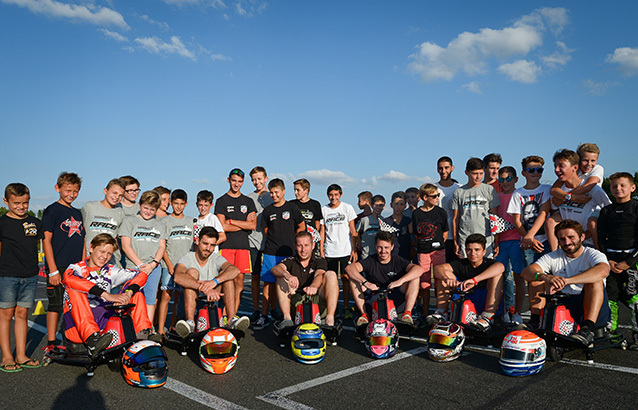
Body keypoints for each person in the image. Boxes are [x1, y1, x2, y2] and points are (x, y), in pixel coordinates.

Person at [62, 234, 160, 357]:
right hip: (76, 326)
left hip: (104, 323)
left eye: (109, 254)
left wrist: (129, 293)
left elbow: (141, 275)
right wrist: (106, 295)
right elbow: (68, 279)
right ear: (91, 248)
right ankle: (93, 340)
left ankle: (143, 334)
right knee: (73, 289)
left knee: (136, 291)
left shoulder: (110, 270)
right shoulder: (76, 268)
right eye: (102, 251)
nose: (105, 257)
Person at [521, 220, 610, 344]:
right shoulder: (553, 256)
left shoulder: (593, 254)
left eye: (571, 237)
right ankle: (535, 321)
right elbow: (526, 272)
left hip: (590, 308)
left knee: (595, 281)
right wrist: (546, 277)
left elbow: (603, 271)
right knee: (536, 279)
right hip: (564, 305)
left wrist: (566, 281)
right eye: (562, 239)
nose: (567, 242)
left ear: (582, 237)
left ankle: (587, 329)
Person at [173, 227, 249, 336]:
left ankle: (232, 319)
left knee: (227, 278)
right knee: (191, 272)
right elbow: (178, 277)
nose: (208, 248)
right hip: (190, 305)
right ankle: (190, 323)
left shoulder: (215, 257)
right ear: (198, 241)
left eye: (212, 245)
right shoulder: (188, 257)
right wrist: (204, 288)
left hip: (212, 303)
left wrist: (214, 282)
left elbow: (235, 270)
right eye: (205, 243)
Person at [0, 183, 43, 371]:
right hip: (7, 276)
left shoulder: (35, 223)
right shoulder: (2, 223)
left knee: (22, 314)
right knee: (6, 316)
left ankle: (21, 355)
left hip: (31, 275)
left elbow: (45, 243)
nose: (21, 206)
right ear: (6, 201)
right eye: (16, 203)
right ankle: (7, 357)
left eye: (25, 203)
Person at [42, 172, 85, 352]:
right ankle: (51, 343)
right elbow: (46, 241)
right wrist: (52, 270)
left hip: (74, 268)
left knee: (74, 305)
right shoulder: (52, 210)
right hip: (58, 266)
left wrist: (82, 265)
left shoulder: (77, 212)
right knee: (55, 304)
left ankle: (72, 339)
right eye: (68, 190)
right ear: (57, 188)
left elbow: (82, 241)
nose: (71, 194)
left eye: (75, 191)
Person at [429, 233, 505, 332]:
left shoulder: (489, 263)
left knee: (497, 275)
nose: (473, 253)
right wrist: (447, 279)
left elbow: (501, 267)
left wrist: (475, 280)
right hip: (464, 298)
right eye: (469, 250)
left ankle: (487, 317)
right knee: (444, 274)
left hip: (484, 300)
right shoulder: (462, 263)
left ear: (484, 252)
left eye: (477, 250)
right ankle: (442, 313)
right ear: (465, 251)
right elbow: (438, 268)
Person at [346, 231, 424, 326]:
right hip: (374, 297)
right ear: (375, 246)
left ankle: (407, 313)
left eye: (386, 247)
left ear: (392, 247)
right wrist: (365, 282)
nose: (383, 251)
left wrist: (399, 281)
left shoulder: (398, 260)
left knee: (414, 277)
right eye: (380, 247)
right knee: (354, 279)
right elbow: (349, 268)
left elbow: (419, 269)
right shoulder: (370, 260)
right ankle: (364, 314)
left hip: (394, 298)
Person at [257, 179, 305, 329]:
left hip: (289, 253)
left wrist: (292, 241)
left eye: (276, 192)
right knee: (268, 284)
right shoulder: (268, 211)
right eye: (271, 192)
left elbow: (301, 227)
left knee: (290, 284)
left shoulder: (292, 207)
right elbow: (266, 231)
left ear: (283, 191)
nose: (273, 195)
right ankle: (264, 316)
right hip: (271, 253)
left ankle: (290, 315)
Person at [597, 172, 638, 346]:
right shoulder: (606, 211)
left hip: (632, 259)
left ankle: (636, 334)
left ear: (632, 187)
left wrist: (629, 261)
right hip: (611, 259)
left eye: (622, 185)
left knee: (633, 297)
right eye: (614, 186)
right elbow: (600, 237)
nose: (618, 188)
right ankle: (610, 331)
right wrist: (608, 260)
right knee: (610, 295)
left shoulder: (636, 208)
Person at [546, 149, 611, 251]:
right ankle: (555, 254)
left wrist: (590, 232)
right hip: (569, 246)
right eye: (555, 166)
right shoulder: (558, 192)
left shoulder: (593, 189)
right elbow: (555, 215)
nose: (556, 170)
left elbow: (610, 211)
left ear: (575, 167)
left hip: (591, 245)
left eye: (561, 166)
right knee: (550, 221)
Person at [272, 231, 339, 328]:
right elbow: (275, 269)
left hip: (316, 300)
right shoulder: (291, 260)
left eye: (306, 245)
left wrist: (313, 286)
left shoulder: (319, 260)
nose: (303, 250)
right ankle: (287, 319)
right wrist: (287, 275)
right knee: (281, 278)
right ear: (295, 246)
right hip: (296, 302)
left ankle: (330, 318)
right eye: (300, 246)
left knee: (331, 274)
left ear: (313, 245)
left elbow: (319, 274)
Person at [215, 168, 257, 316]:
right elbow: (222, 227)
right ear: (228, 180)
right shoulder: (221, 201)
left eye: (239, 181)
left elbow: (252, 225)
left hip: (243, 247)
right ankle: (221, 314)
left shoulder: (248, 201)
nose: (236, 184)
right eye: (234, 181)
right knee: (226, 282)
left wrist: (232, 221)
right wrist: (242, 224)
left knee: (239, 283)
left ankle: (231, 316)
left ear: (243, 182)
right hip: (226, 247)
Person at [119, 190, 166, 323]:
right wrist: (140, 265)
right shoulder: (129, 220)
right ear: (139, 205)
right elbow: (125, 245)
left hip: (153, 268)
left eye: (152, 209)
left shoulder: (159, 224)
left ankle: (147, 328)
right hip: (134, 267)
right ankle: (130, 328)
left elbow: (162, 246)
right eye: (146, 208)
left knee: (150, 299)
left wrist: (153, 264)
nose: (148, 211)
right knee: (132, 297)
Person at [158, 189, 194, 336]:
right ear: (171, 203)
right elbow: (162, 246)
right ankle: (160, 329)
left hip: (184, 267)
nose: (178, 207)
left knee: (179, 298)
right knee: (166, 296)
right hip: (169, 265)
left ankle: (173, 326)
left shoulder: (191, 221)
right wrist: (169, 264)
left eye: (181, 204)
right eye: (175, 204)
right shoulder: (165, 221)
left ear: (186, 204)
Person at [321, 184, 358, 319]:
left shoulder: (347, 208)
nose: (333, 197)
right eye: (331, 195)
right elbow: (322, 231)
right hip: (330, 251)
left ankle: (346, 307)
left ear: (340, 195)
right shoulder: (324, 210)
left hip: (345, 250)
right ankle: (332, 308)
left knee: (346, 279)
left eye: (336, 195)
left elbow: (353, 231)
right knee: (330, 281)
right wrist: (321, 250)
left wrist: (354, 250)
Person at [494, 166, 525, 324]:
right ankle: (505, 310)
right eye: (501, 179)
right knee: (501, 278)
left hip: (517, 241)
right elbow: (495, 222)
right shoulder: (497, 197)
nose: (505, 182)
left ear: (515, 179)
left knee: (519, 277)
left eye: (508, 179)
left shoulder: (519, 195)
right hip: (502, 243)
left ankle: (517, 312)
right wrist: (496, 242)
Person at [409, 183, 448, 312]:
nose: (437, 198)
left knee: (440, 279)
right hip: (423, 251)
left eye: (438, 195)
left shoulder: (441, 212)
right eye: (434, 196)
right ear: (425, 197)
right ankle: (425, 312)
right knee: (424, 282)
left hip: (438, 250)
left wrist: (439, 243)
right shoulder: (417, 214)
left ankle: (440, 310)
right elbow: (415, 232)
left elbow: (445, 231)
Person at [451, 157, 499, 258]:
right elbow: (456, 218)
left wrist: (496, 240)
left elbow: (495, 216)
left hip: (486, 238)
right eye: (475, 173)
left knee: (487, 270)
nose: (478, 177)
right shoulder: (459, 192)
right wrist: (456, 241)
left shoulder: (489, 190)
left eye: (481, 173)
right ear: (466, 172)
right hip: (465, 238)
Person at [247, 166, 273, 325]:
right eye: (254, 180)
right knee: (255, 276)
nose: (257, 182)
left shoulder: (273, 195)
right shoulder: (248, 198)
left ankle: (273, 308)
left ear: (266, 179)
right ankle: (256, 310)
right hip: (253, 241)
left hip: (270, 242)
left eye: (259, 179)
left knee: (272, 278)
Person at [81, 178, 126, 266]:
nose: (117, 197)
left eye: (120, 195)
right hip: (89, 260)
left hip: (110, 262)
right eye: (114, 193)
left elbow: (116, 238)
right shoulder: (89, 207)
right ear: (105, 191)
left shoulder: (120, 212)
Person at [435, 156, 462, 262]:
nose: (443, 171)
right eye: (441, 168)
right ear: (437, 169)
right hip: (439, 236)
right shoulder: (433, 188)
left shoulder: (460, 188)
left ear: (452, 168)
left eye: (446, 167)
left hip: (456, 236)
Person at [290, 178, 323, 254]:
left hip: (310, 240)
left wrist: (312, 235)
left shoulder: (315, 204)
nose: (295, 193)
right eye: (294, 190)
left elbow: (317, 223)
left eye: (298, 190)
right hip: (296, 241)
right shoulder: (291, 204)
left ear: (306, 190)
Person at [383, 191, 412, 260]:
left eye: (401, 204)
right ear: (391, 205)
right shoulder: (386, 222)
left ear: (405, 206)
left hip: (405, 256)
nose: (399, 207)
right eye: (396, 204)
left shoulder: (408, 221)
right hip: (390, 257)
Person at [356, 194, 384, 260]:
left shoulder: (384, 221)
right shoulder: (364, 220)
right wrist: (359, 243)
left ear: (384, 207)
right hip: (366, 254)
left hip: (379, 254)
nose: (378, 207)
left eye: (380, 205)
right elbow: (355, 232)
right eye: (376, 205)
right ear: (371, 205)